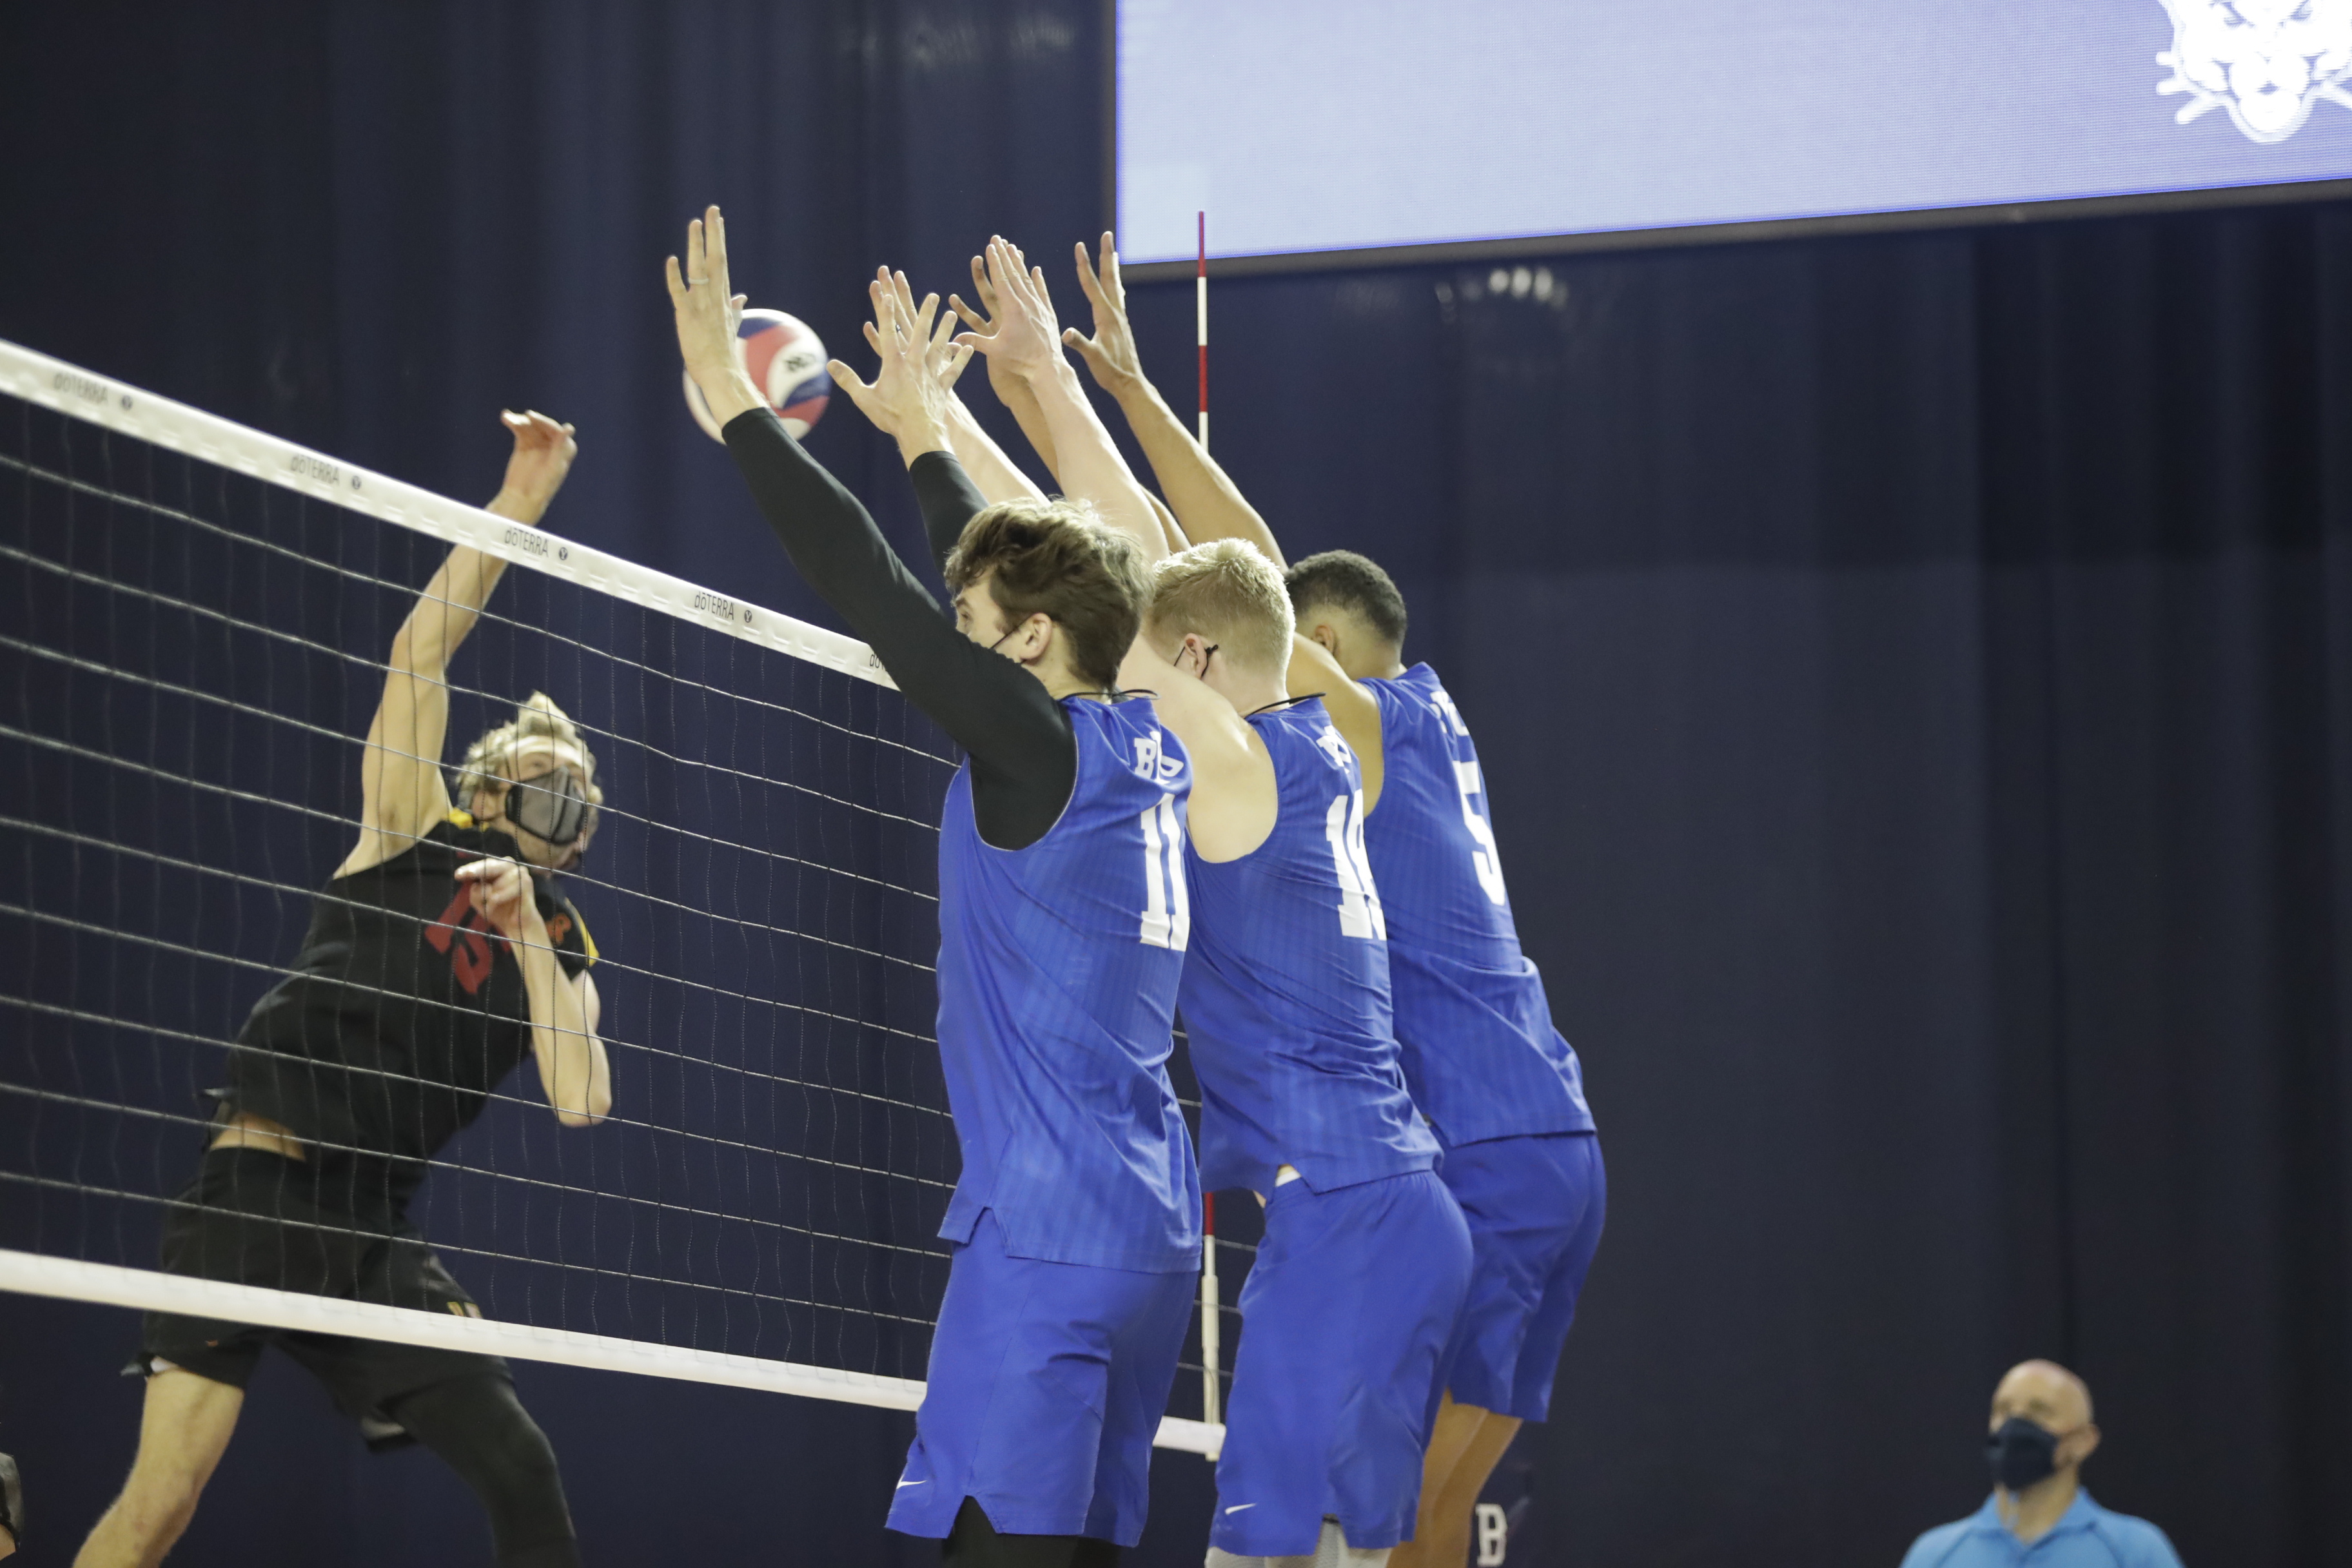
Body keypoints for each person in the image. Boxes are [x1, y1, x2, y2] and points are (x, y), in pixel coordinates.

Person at [1044, 233, 1606, 1568]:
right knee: (1419, 1526)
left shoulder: (1360, 723)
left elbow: (1226, 562)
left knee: (1392, 1523)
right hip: (1525, 1140)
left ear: (1329, 646)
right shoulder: (1424, 718)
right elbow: (1221, 574)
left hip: (1477, 1152)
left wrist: (1123, 401)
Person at [671, 209, 1200, 1567]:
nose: (956, 647)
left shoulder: (1029, 747)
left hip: (1047, 1244)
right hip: (1148, 1242)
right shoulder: (1147, 729)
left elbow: (866, 579)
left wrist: (735, 404)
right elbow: (992, 570)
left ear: (1032, 642)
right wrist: (919, 430)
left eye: (980, 631)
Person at [949, 239, 1475, 1568]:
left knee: (1267, 1557)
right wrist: (1021, 394)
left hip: (1350, 1212)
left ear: (1188, 659)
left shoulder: (1232, 761)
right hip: (1385, 1203)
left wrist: (958, 412)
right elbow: (1123, 563)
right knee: (1330, 1553)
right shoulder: (1322, 743)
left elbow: (1101, 581)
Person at [76, 411, 610, 1568]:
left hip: (368, 1240)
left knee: (521, 1463)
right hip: (256, 1187)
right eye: (537, 771)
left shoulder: (561, 940)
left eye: (576, 784)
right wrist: (518, 503)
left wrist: (524, 933)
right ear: (484, 787)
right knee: (160, 1505)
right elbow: (421, 653)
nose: (559, 786)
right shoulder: (406, 832)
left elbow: (579, 1096)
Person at [1900, 1360, 2184, 1567]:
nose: (2015, 1424)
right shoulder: (1935, 1555)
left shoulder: (2134, 1551)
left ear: (2083, 1441)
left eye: (2040, 1411)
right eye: (2003, 1410)